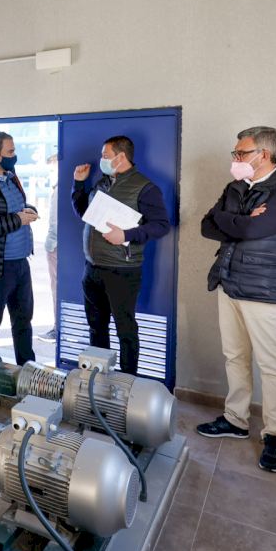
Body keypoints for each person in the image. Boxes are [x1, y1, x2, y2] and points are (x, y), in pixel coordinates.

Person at [196, 126, 276, 474]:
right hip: (228, 282)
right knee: (235, 356)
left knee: (271, 364)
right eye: (236, 153)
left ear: (264, 155)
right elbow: (207, 225)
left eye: (241, 153)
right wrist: (240, 220)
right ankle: (236, 419)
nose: (235, 158)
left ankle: (274, 433)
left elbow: (256, 230)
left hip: (265, 288)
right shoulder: (236, 187)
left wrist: (234, 222)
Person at [71, 136, 170, 375]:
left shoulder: (145, 188)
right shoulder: (102, 183)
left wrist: (125, 234)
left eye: (105, 156)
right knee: (96, 327)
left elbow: (161, 226)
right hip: (92, 268)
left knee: (125, 330)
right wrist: (79, 185)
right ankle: (99, 378)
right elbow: (85, 213)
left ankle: (128, 381)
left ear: (121, 157)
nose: (101, 160)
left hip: (122, 270)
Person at [0, 131, 38, 365]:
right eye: (10, 151)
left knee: (23, 321)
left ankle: (28, 369)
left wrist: (28, 211)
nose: (15, 156)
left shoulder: (11, 176)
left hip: (21, 262)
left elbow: (15, 208)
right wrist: (17, 220)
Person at [39, 154, 59, 342]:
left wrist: (51, 245)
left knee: (57, 287)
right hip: (57, 245)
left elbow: (55, 223)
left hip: (56, 246)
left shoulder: (60, 189)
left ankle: (58, 329)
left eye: (52, 169)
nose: (50, 174)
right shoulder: (58, 188)